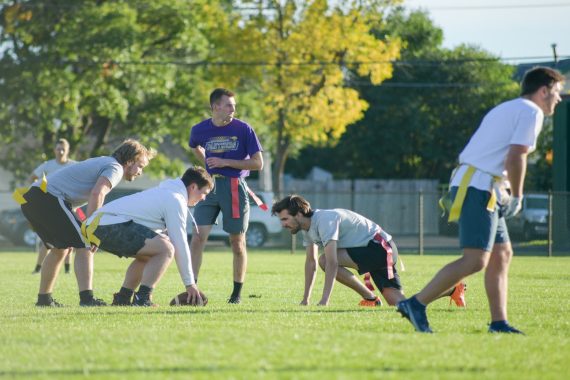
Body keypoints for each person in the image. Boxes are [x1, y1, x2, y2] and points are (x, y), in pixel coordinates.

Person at [397, 67, 565, 334]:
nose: (559, 98)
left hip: (482, 186)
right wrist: (519, 195)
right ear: (543, 90)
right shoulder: (531, 111)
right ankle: (415, 304)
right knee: (476, 260)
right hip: (478, 187)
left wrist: (506, 190)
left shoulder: (510, 108)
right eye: (557, 93)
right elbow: (517, 155)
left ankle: (499, 323)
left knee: (502, 255)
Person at [18, 139, 155, 307]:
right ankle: (87, 299)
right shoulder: (115, 167)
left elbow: (72, 201)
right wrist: (92, 229)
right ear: (129, 161)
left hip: (34, 198)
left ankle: (44, 300)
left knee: (59, 249)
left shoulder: (104, 162)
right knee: (85, 243)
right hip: (47, 197)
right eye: (140, 166)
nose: (140, 172)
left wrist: (84, 225)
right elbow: (97, 194)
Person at [271, 194, 466, 307]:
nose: (283, 225)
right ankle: (452, 289)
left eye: (285, 219)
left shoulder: (324, 220)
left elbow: (331, 263)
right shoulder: (306, 228)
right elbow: (310, 263)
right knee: (398, 303)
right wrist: (305, 299)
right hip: (370, 250)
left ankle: (369, 297)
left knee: (326, 260)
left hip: (380, 248)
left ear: (298, 214)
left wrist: (324, 300)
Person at [82, 167, 213, 307]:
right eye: (204, 193)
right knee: (166, 249)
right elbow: (179, 243)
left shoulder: (169, 193)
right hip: (103, 224)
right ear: (193, 187)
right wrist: (190, 284)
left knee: (154, 251)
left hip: (98, 224)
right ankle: (142, 299)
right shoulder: (175, 200)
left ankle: (123, 298)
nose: (204, 198)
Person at [188, 88, 264, 304]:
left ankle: (236, 294)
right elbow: (194, 146)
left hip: (234, 186)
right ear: (215, 107)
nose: (233, 109)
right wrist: (207, 163)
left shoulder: (244, 129)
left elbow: (258, 164)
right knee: (197, 238)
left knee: (237, 242)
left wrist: (225, 162)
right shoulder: (199, 129)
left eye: (234, 105)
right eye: (229, 105)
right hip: (208, 187)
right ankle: (192, 288)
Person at [30, 138, 76, 274]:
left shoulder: (74, 165)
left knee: (70, 239)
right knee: (47, 239)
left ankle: (67, 270)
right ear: (54, 150)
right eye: (58, 149)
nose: (60, 151)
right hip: (51, 207)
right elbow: (32, 177)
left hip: (69, 205)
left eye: (63, 149)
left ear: (68, 151)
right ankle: (38, 268)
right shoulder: (48, 165)